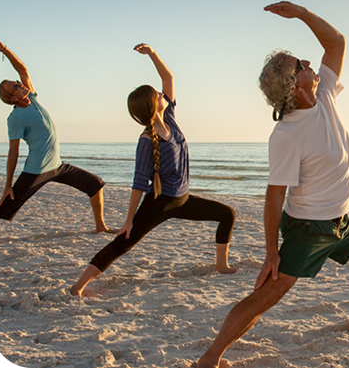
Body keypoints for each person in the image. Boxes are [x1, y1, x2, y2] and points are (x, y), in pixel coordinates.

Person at [197, 1, 349, 368]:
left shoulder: (325, 95)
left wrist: (303, 14)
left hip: (341, 221)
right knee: (270, 294)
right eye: (299, 66)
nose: (308, 64)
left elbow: (336, 43)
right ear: (292, 85)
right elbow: (274, 198)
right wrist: (271, 252)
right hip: (309, 228)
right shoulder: (286, 135)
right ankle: (210, 357)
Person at [71, 43, 237, 297]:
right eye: (157, 95)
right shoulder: (147, 140)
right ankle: (78, 287)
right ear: (151, 104)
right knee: (122, 244)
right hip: (159, 202)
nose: (162, 94)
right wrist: (129, 219)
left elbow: (168, 77)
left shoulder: (169, 116)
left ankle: (221, 265)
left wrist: (152, 55)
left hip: (183, 199)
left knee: (227, 214)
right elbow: (139, 182)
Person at [0, 34, 113, 233]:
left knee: (95, 184)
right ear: (12, 98)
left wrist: (3, 49)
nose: (19, 83)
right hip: (36, 170)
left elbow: (22, 69)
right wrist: (8, 184)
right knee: (2, 209)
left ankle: (100, 227)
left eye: (16, 82)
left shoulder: (31, 97)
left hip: (57, 165)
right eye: (15, 86)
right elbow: (13, 152)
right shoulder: (15, 119)